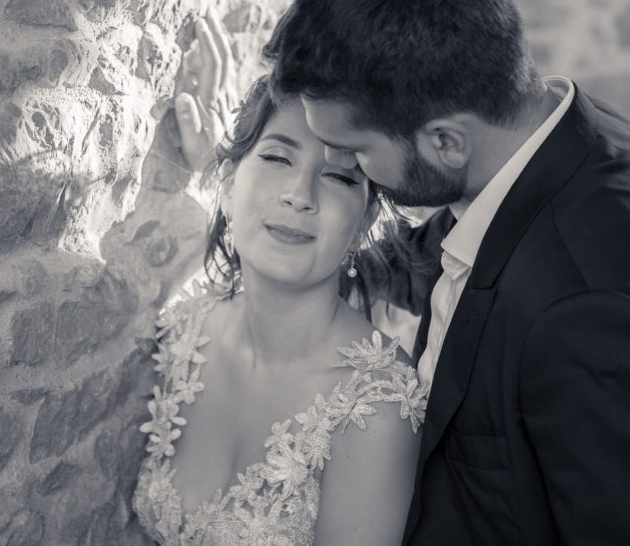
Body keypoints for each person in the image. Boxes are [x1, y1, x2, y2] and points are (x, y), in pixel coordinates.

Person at [257, 0, 630, 544]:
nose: (343, 168)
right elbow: (460, 254)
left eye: (353, 150)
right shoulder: (559, 138)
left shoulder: (591, 321)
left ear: (446, 142)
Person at [132, 64, 429, 545]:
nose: (299, 196)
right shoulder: (186, 331)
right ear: (227, 184)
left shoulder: (375, 405)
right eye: (276, 158)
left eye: (336, 176)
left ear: (364, 220)